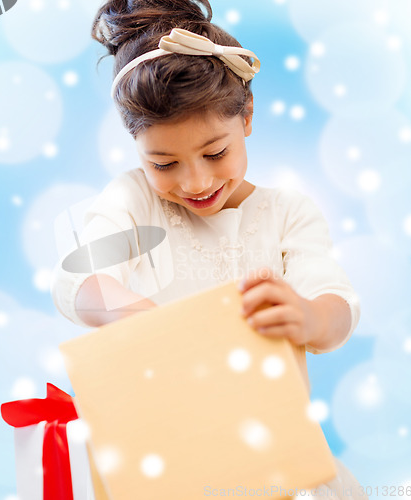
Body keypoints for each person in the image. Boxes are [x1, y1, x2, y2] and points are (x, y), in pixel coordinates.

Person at [51, 0, 365, 498]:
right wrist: (147, 321)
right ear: (136, 150)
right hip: (171, 469)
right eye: (163, 163)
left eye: (214, 153)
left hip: (277, 470)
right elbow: (74, 280)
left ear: (246, 117)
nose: (195, 181)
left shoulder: (285, 214)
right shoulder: (135, 202)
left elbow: (337, 306)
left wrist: (310, 317)